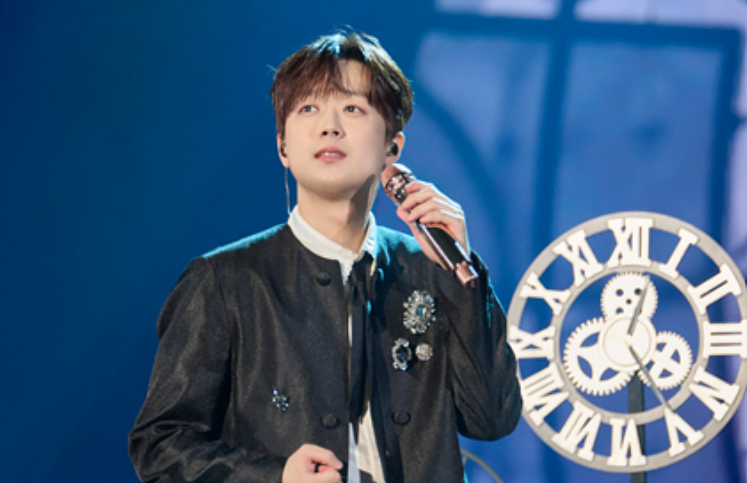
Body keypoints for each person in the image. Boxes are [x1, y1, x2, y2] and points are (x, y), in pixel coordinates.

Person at [129, 31, 521, 483]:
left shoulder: (431, 271)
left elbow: (492, 418)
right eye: (308, 108)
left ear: (393, 146)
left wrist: (462, 276)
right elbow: (160, 446)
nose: (329, 126)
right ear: (282, 147)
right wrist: (275, 477)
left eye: (352, 108)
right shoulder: (224, 281)